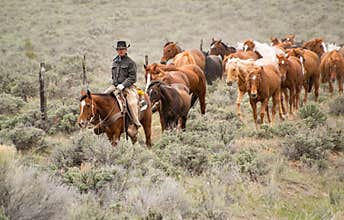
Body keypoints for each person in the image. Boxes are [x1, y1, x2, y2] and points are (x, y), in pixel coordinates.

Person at [104, 40, 141, 137]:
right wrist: (115, 85)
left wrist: (123, 85)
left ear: (126, 50)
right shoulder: (115, 62)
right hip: (115, 86)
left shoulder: (130, 62)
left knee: (132, 103)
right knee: (103, 97)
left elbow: (133, 78)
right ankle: (101, 122)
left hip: (127, 87)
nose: (120, 51)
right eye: (119, 49)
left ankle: (135, 124)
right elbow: (113, 76)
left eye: (122, 49)